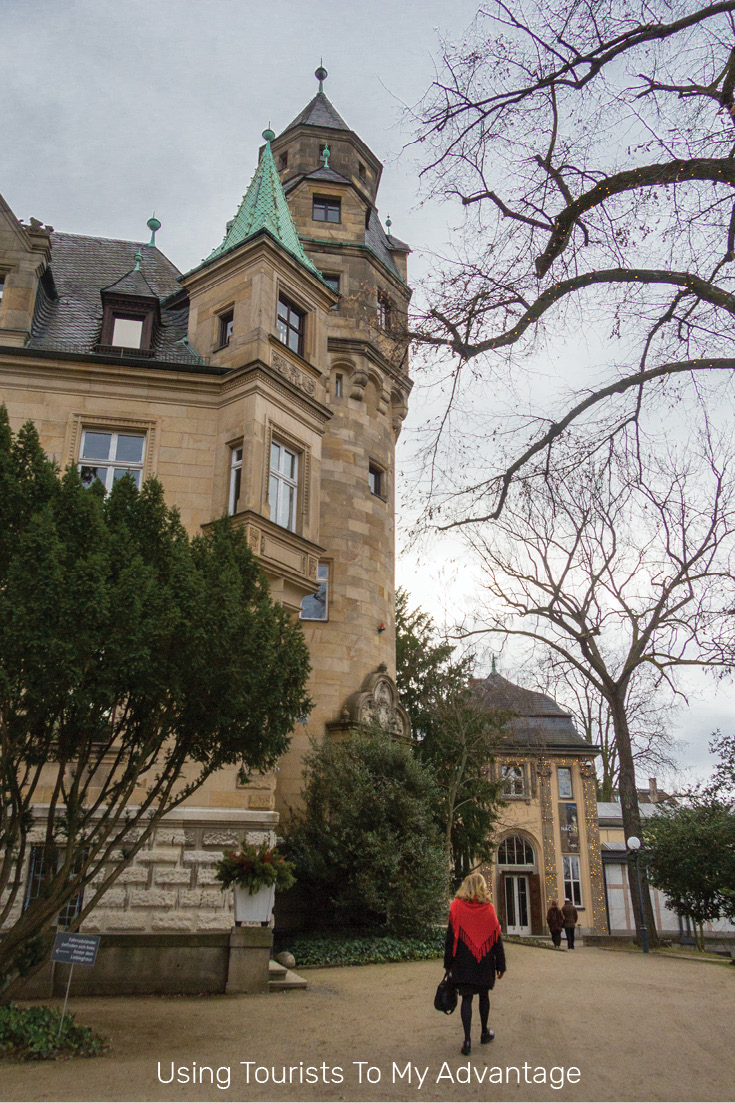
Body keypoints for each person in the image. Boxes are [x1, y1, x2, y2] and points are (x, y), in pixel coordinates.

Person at [443, 872, 506, 1056]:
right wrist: (500, 965)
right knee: (484, 996)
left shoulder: (456, 907)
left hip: (462, 962)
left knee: (467, 998)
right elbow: (496, 939)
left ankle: (467, 1040)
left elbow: (450, 938)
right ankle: (484, 1032)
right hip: (484, 961)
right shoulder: (489, 909)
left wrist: (448, 964)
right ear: (482, 887)